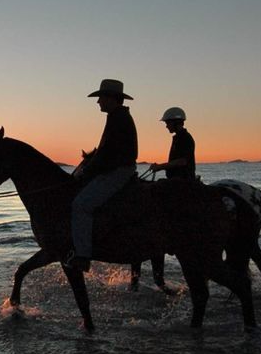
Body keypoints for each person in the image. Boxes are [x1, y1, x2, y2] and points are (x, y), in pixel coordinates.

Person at [65, 79, 138, 272]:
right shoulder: (117, 116)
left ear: (111, 99)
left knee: (80, 206)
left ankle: (83, 256)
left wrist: (86, 172)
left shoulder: (117, 118)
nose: (98, 102)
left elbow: (107, 155)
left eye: (101, 98)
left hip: (117, 171)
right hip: (117, 168)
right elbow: (105, 152)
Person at [150, 107, 196, 180]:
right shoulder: (178, 138)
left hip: (183, 182)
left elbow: (182, 161)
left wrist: (160, 167)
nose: (166, 126)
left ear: (176, 122)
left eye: (168, 123)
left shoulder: (185, 138)